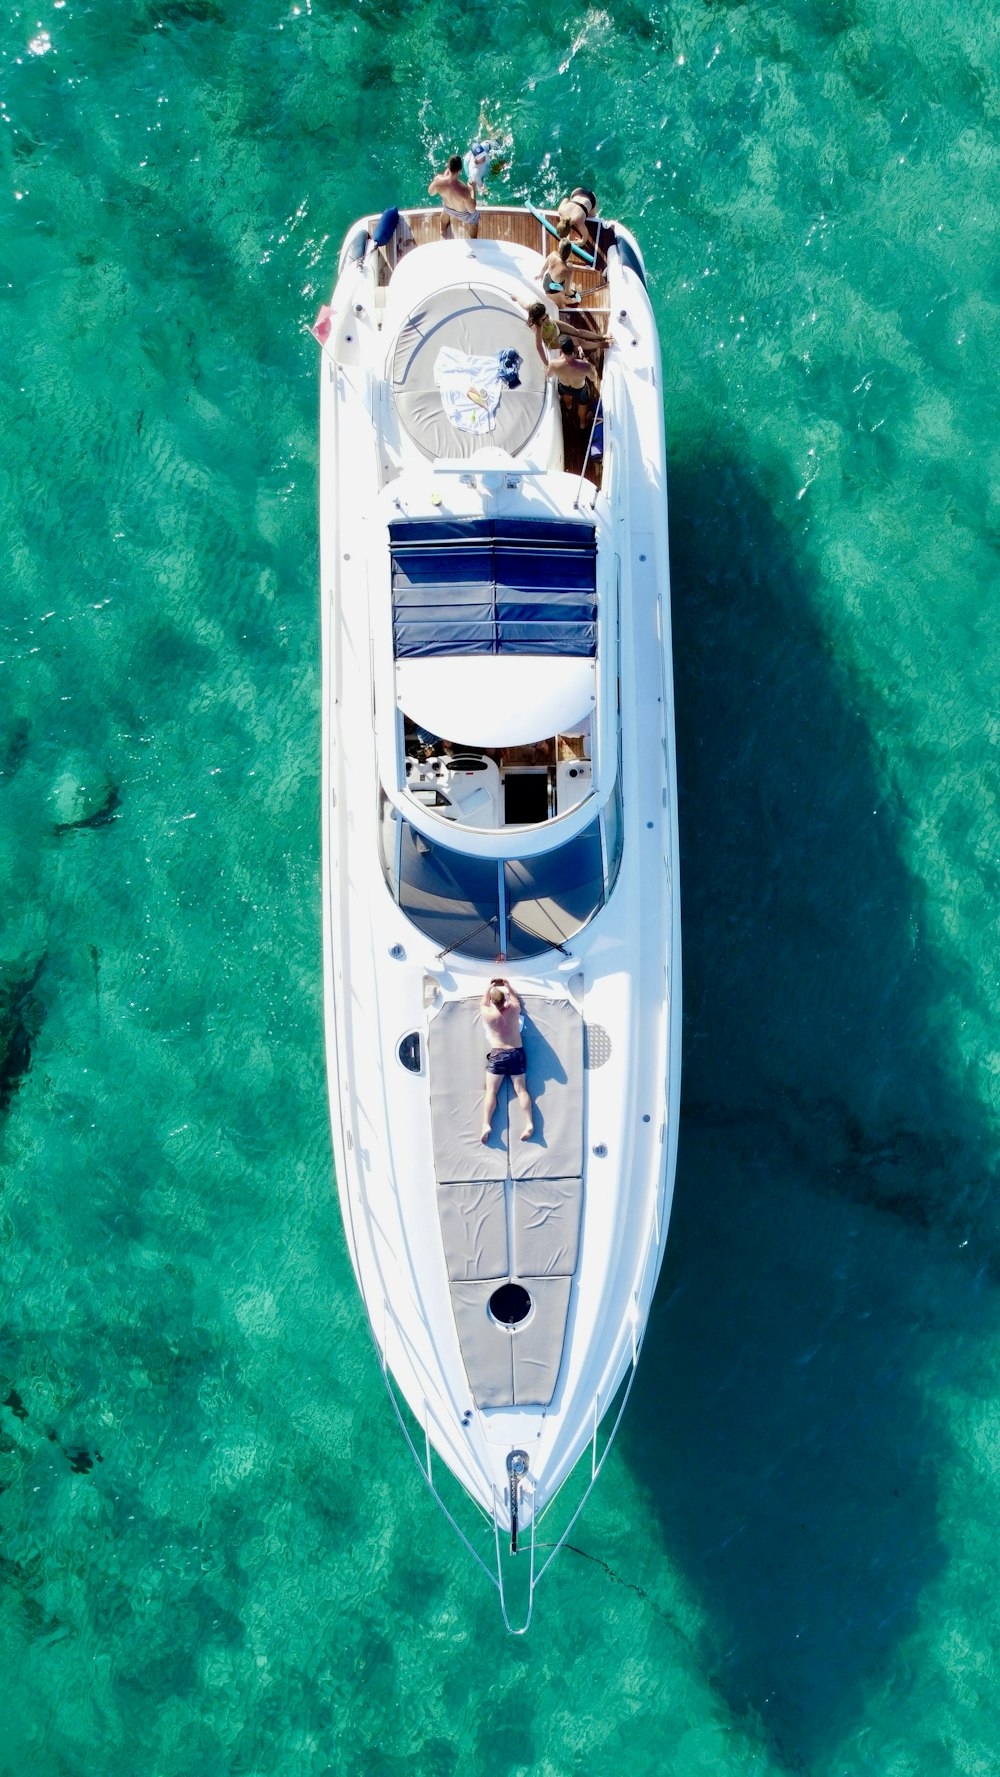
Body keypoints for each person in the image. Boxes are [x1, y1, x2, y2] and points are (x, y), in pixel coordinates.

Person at [480, 978, 533, 1144]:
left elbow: (483, 1002)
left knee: (491, 1092)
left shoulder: (488, 1015)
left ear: (493, 1002)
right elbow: (514, 998)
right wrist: (508, 986)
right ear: (504, 999)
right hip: (516, 1052)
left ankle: (486, 1124)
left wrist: (489, 988)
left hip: (498, 1054)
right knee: (522, 1091)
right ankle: (529, 1124)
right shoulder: (514, 1009)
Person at [506, 294, 609, 366]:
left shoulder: (532, 307)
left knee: (578, 332)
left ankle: (601, 337)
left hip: (554, 326)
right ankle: (601, 345)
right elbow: (539, 347)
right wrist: (546, 364)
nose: (546, 318)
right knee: (579, 341)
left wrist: (515, 297)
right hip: (552, 339)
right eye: (543, 319)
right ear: (537, 320)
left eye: (546, 316)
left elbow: (523, 304)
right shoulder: (539, 328)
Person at [545, 336, 601, 428]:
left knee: (566, 397)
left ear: (561, 350)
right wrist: (586, 361)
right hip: (580, 389)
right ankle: (582, 423)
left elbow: (548, 375)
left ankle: (569, 406)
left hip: (564, 387)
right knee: (583, 404)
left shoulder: (554, 364)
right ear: (573, 350)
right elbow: (593, 378)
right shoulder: (584, 366)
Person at [428, 156, 480, 238]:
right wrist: (472, 189)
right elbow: (471, 210)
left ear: (448, 166)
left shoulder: (438, 180)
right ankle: (473, 239)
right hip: (463, 214)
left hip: (448, 207)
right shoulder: (464, 190)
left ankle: (442, 230)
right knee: (475, 218)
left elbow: (431, 193)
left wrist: (440, 178)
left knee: (445, 211)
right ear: (460, 170)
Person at [538, 240, 581, 305]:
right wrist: (574, 293)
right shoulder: (568, 270)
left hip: (546, 282)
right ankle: (568, 301)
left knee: (562, 284)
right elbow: (567, 291)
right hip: (552, 292)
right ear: (570, 252)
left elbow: (544, 267)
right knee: (564, 303)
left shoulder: (553, 254)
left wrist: (541, 274)